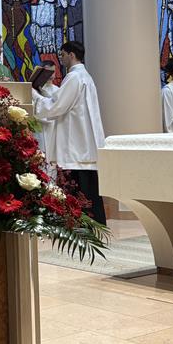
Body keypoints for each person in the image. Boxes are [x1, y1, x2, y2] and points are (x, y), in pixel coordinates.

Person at [31, 41, 107, 225]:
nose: (61, 59)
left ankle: (81, 227)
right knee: (89, 190)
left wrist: (33, 94)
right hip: (84, 145)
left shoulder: (74, 77)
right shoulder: (86, 76)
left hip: (76, 147)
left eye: (63, 55)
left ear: (71, 55)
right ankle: (93, 226)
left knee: (79, 191)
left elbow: (56, 106)